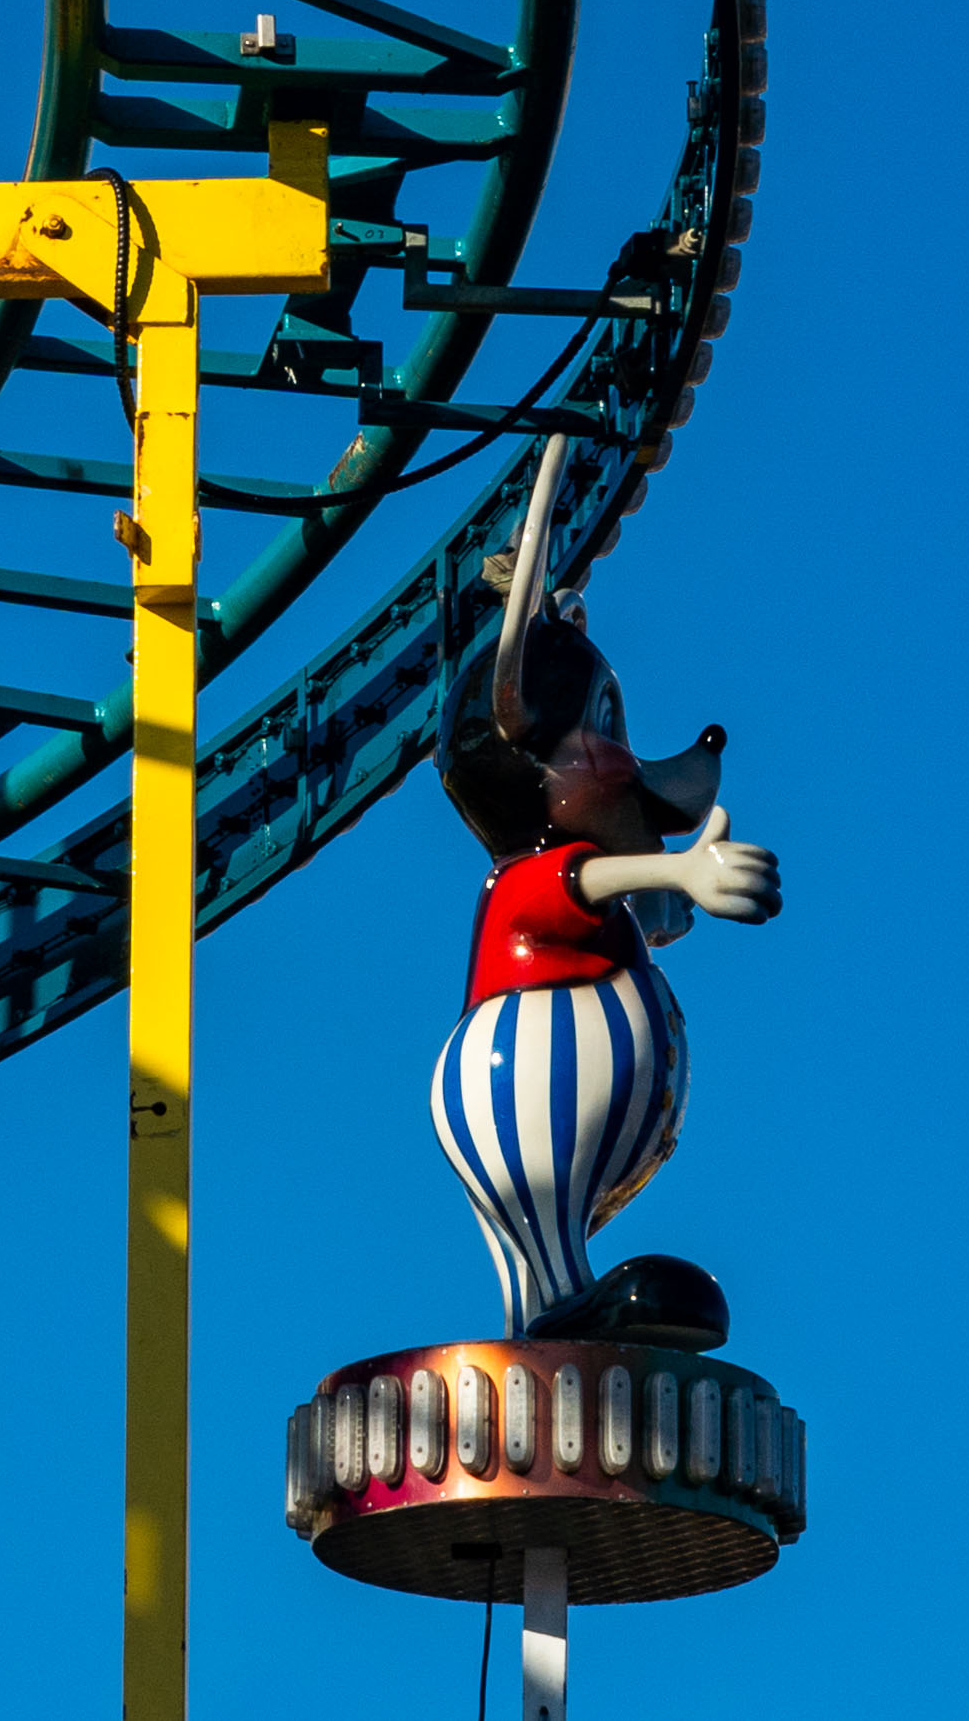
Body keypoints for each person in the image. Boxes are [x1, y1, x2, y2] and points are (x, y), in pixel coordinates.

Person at [423, 440, 779, 1346]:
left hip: (543, 1070)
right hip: (508, 1064)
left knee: (544, 1232)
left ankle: (557, 1307)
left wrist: (677, 874)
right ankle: (555, 1311)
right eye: (606, 727)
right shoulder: (524, 884)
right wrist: (678, 870)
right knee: (536, 1217)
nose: (629, 761)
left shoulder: (589, 901)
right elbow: (581, 880)